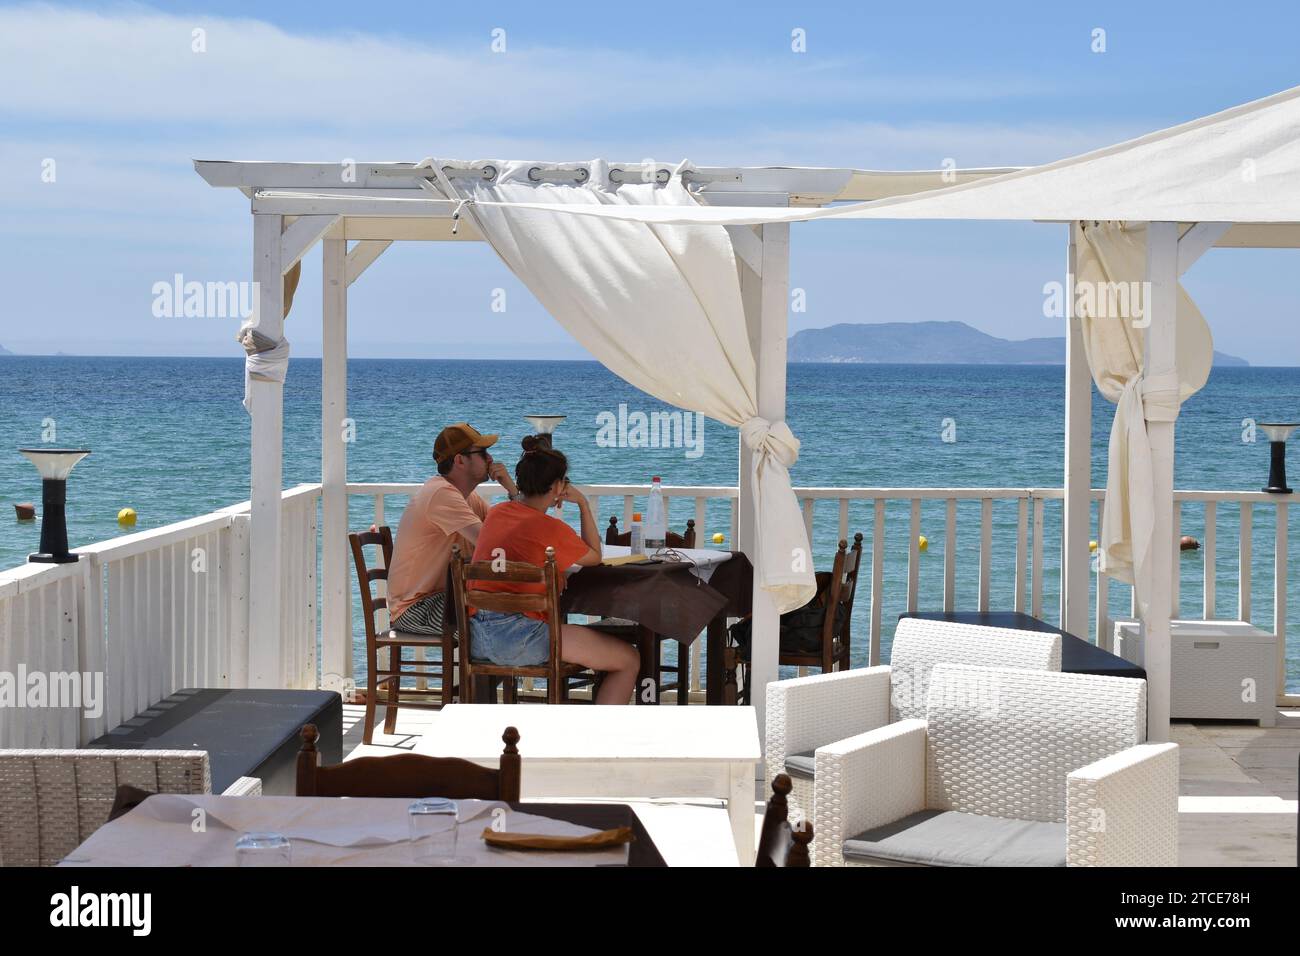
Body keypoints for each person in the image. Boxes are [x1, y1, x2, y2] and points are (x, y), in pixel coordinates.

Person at [468, 437, 640, 704]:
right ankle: (601, 740)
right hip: (524, 640)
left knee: (599, 648)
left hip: (479, 636)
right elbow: (594, 556)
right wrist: (583, 504)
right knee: (628, 659)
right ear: (558, 486)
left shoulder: (497, 514)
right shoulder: (550, 528)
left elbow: (520, 523)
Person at [387, 422, 521, 637]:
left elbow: (510, 537)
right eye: (483, 452)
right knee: (496, 623)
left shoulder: (466, 498)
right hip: (416, 607)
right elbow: (492, 544)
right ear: (460, 460)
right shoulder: (441, 494)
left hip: (446, 596)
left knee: (511, 612)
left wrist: (513, 490)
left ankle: (492, 668)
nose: (490, 459)